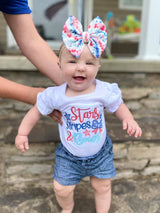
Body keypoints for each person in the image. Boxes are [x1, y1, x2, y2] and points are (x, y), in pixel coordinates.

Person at [15, 16, 142, 213]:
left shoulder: (103, 91)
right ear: (59, 65)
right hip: (69, 155)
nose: (81, 67)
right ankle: (67, 208)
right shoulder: (55, 95)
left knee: (103, 186)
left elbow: (118, 105)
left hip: (100, 152)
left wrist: (128, 119)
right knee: (61, 188)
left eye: (89, 63)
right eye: (73, 61)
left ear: (98, 67)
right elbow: (35, 111)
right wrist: (23, 133)